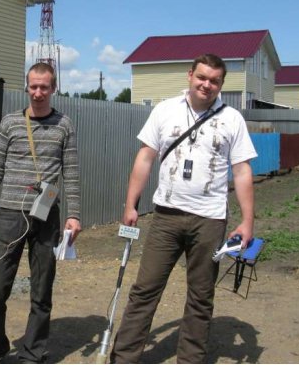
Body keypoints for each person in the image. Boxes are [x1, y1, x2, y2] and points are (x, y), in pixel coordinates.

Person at [110, 53, 257, 364]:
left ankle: (190, 359)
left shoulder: (232, 119)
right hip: (166, 216)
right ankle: (124, 358)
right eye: (202, 77)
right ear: (190, 75)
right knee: (145, 289)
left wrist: (247, 221)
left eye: (214, 80)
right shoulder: (165, 111)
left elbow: (242, 171)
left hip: (210, 221)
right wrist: (130, 204)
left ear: (221, 85)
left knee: (201, 297)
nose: (207, 84)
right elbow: (145, 157)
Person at [0, 62, 81, 364]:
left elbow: (70, 172)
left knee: (42, 287)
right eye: (33, 86)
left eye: (44, 87)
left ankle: (33, 352)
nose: (38, 92)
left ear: (54, 88)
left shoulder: (64, 125)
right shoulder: (10, 123)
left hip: (46, 214)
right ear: (26, 86)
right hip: (8, 213)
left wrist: (75, 215)